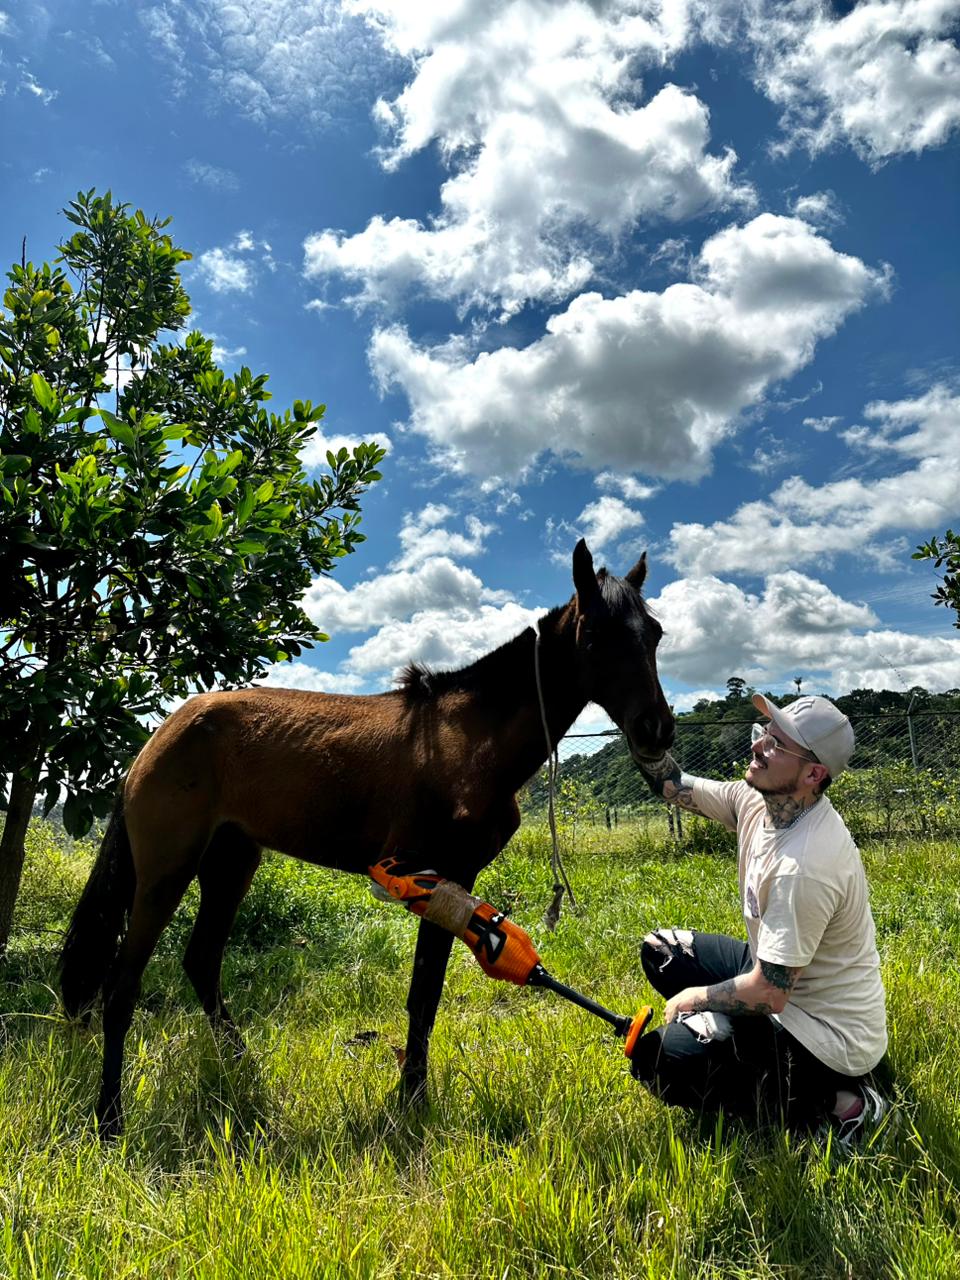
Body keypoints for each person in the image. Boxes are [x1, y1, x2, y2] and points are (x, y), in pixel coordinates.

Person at [631, 692, 888, 1142]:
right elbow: (676, 785)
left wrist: (694, 999)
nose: (757, 746)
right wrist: (645, 744)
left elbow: (770, 993)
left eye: (776, 744)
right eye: (764, 733)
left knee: (663, 1062)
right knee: (662, 952)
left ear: (813, 773)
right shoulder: (756, 800)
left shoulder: (806, 863)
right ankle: (751, 1055)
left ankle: (840, 1103)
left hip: (825, 1033)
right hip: (778, 978)